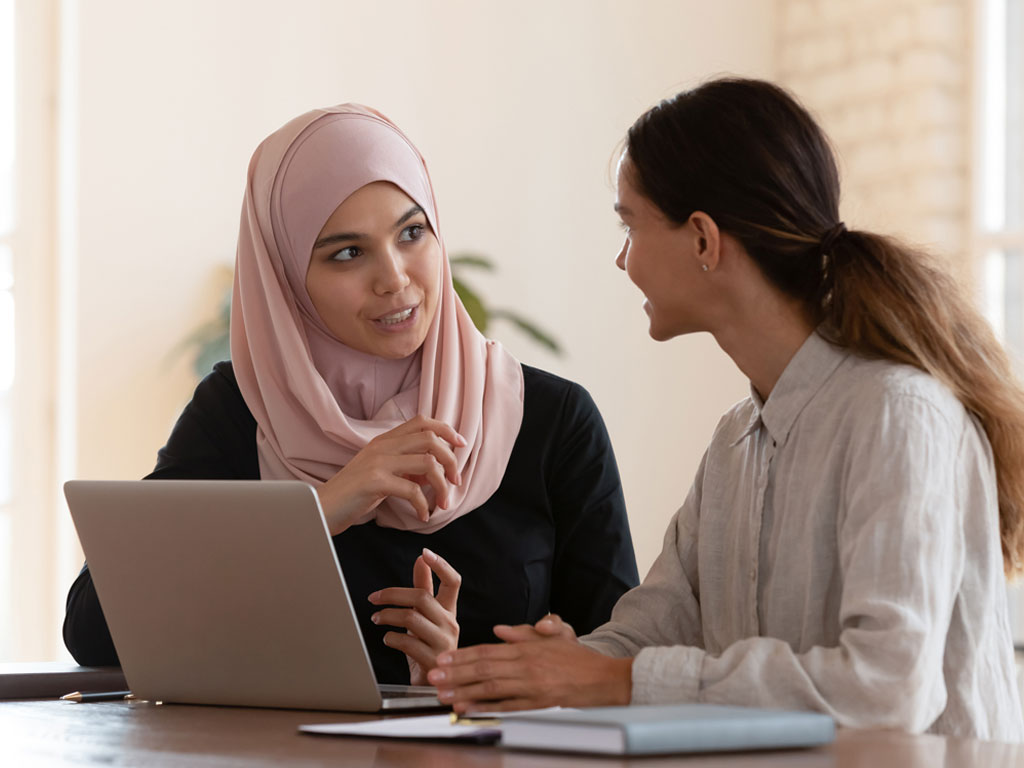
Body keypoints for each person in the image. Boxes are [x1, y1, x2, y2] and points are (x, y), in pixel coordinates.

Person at [428, 77, 1024, 741]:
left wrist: (612, 680)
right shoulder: (737, 440)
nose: (621, 259)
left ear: (705, 241)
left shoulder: (899, 416)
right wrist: (545, 666)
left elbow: (886, 689)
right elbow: (650, 631)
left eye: (631, 225)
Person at [62, 104, 639, 685]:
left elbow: (615, 661)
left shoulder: (550, 420)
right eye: (347, 253)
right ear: (286, 278)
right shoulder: (243, 411)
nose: (394, 278)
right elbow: (93, 629)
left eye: (412, 233)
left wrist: (462, 678)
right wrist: (319, 511)